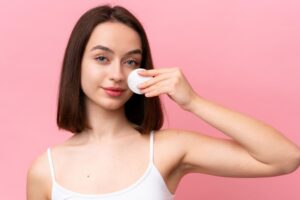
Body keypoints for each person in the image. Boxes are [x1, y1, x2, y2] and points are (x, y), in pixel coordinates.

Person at [26, 4, 300, 200]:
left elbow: (286, 158)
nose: (117, 75)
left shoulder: (168, 149)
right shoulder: (45, 169)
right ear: (77, 64)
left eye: (131, 61)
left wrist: (193, 102)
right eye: (102, 58)